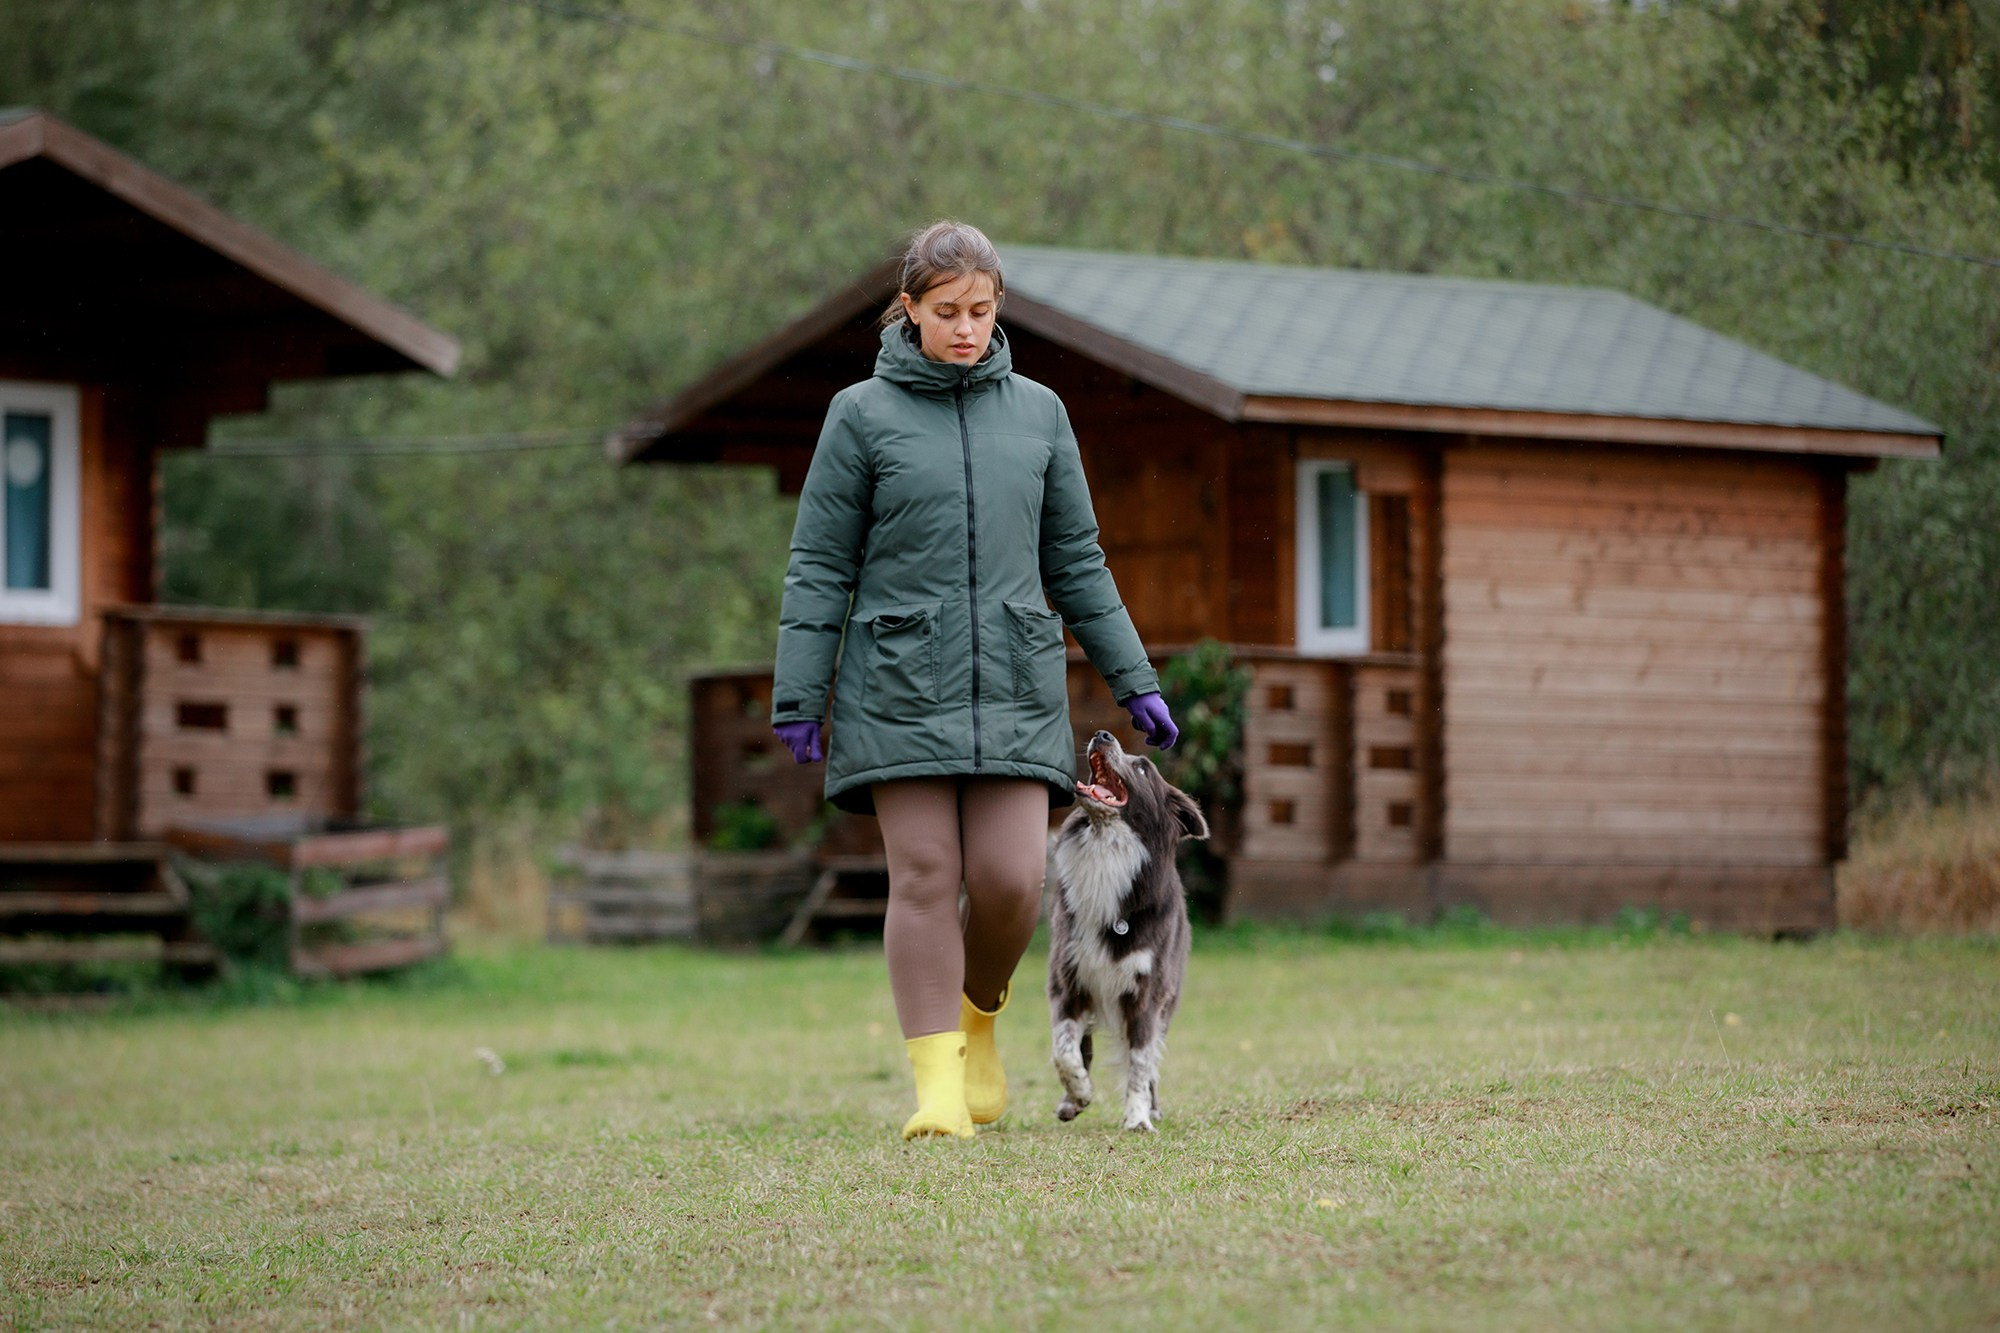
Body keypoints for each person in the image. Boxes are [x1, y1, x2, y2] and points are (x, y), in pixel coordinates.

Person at [770, 221, 1178, 1140]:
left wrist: (1133, 674)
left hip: (1014, 679)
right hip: (896, 680)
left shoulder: (1039, 413)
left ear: (999, 310)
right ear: (907, 309)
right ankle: (937, 1089)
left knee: (1009, 880)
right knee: (924, 874)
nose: (964, 328)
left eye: (980, 311)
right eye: (945, 311)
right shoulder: (859, 415)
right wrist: (801, 691)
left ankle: (978, 1017)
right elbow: (819, 565)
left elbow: (1075, 557)